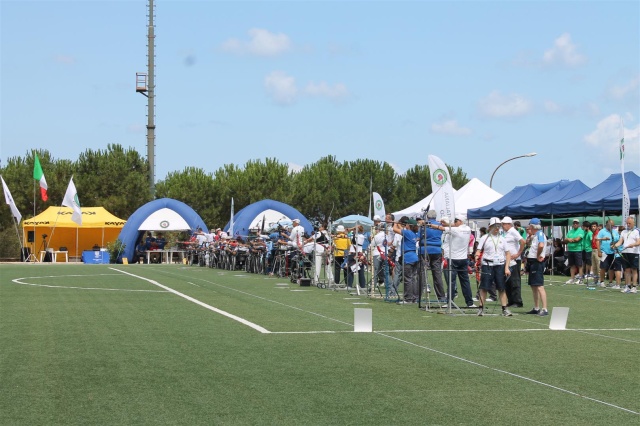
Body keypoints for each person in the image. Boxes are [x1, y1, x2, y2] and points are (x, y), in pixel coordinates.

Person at [429, 213, 476, 308]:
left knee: (451, 282)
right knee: (465, 282)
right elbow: (452, 226)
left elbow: (441, 228)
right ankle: (470, 302)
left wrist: (429, 225)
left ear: (460, 221)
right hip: (463, 259)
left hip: (453, 259)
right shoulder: (467, 229)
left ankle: (449, 301)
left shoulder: (455, 230)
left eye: (455, 221)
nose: (454, 223)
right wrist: (447, 223)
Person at [475, 217, 512, 316]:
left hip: (500, 264)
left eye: (498, 226)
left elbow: (508, 254)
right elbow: (478, 250)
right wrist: (476, 256)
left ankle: (504, 309)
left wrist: (507, 267)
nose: (497, 228)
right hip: (487, 264)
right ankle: (481, 308)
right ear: (490, 227)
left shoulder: (502, 239)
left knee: (501, 288)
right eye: (495, 226)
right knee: (484, 287)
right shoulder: (484, 238)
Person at [418, 210, 446, 301]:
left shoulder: (424, 225)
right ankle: (441, 296)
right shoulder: (439, 226)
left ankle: (418, 295)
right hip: (436, 250)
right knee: (437, 273)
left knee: (422, 272)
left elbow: (419, 237)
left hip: (425, 249)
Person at [525, 218, 548, 316]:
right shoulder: (535, 235)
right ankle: (536, 307)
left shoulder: (540, 234)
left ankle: (544, 309)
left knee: (539, 286)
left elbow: (541, 245)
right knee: (534, 285)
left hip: (536, 262)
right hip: (532, 261)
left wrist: (538, 255)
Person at [393, 217, 419, 304]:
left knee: (407, 279)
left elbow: (394, 229)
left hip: (408, 258)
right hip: (414, 257)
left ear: (409, 226)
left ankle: (408, 299)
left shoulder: (407, 233)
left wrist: (395, 223)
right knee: (413, 279)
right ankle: (414, 298)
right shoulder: (414, 233)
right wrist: (400, 225)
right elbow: (402, 230)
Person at [502, 216, 525, 308]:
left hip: (514, 260)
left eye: (504, 224)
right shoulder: (506, 233)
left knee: (515, 280)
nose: (502, 226)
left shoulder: (513, 231)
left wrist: (518, 253)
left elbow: (522, 241)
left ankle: (517, 301)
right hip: (507, 259)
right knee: (508, 281)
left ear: (509, 224)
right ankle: (511, 300)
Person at [612, 217, 639, 294]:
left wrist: (633, 244)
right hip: (625, 252)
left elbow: (638, 242)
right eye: (627, 223)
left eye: (629, 223)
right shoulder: (624, 232)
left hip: (634, 252)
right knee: (626, 270)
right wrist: (615, 246)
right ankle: (627, 286)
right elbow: (620, 242)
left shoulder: (637, 231)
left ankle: (634, 286)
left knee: (634, 269)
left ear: (633, 223)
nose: (628, 225)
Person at [596, 220, 622, 288]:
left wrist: (614, 245)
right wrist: (599, 251)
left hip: (613, 252)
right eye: (611, 225)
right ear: (607, 224)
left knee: (612, 268)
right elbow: (598, 241)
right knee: (603, 267)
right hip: (604, 252)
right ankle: (601, 281)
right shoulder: (602, 231)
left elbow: (618, 240)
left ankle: (610, 282)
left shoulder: (615, 232)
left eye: (613, 225)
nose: (612, 227)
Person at [563, 219, 584, 284]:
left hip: (578, 250)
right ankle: (572, 278)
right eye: (574, 223)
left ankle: (580, 279)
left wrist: (569, 239)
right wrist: (569, 239)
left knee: (579, 265)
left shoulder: (581, 231)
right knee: (572, 265)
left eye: (576, 223)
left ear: (578, 224)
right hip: (570, 250)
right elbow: (565, 240)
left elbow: (577, 239)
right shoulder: (570, 231)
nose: (575, 224)